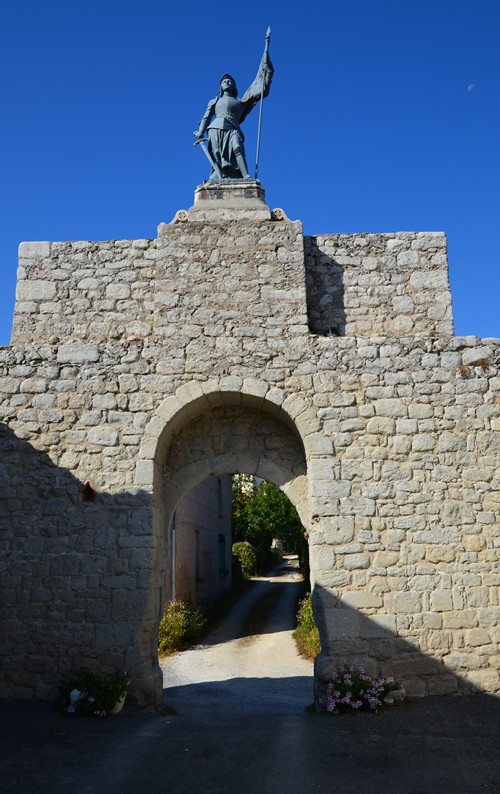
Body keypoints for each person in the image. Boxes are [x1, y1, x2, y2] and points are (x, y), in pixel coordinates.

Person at [194, 47, 273, 181]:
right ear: (220, 87)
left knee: (237, 147)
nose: (227, 82)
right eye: (224, 81)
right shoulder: (215, 101)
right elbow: (206, 117)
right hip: (216, 128)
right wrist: (200, 132)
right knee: (217, 153)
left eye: (230, 81)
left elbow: (259, 92)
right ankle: (219, 177)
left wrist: (265, 72)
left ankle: (245, 176)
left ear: (234, 87)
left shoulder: (240, 102)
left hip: (233, 128)